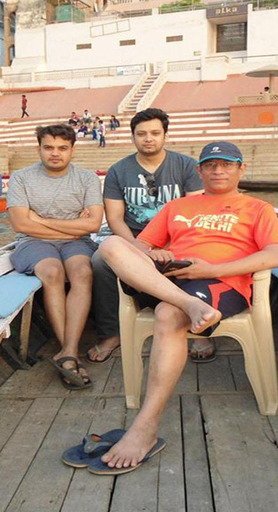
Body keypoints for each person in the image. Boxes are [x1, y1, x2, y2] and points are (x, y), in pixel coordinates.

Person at [88, 141, 278, 473]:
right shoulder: (178, 207)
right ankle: (188, 304)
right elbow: (140, 245)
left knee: (167, 314)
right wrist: (154, 254)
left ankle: (145, 428)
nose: (218, 170)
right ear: (200, 171)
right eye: (211, 165)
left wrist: (211, 270)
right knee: (111, 244)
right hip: (169, 279)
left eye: (226, 164)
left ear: (241, 169)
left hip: (218, 282)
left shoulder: (257, 208)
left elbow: (275, 256)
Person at [87, 108, 204, 366]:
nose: (148, 139)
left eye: (154, 133)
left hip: (178, 236)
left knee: (198, 257)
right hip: (134, 238)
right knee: (99, 262)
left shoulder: (185, 166)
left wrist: (171, 245)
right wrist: (141, 249)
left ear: (165, 135)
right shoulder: (119, 171)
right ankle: (110, 333)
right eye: (141, 134)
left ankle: (201, 331)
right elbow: (115, 218)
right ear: (133, 137)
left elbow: (193, 212)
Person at [7, 124, 103, 389]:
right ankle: (70, 352)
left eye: (62, 148)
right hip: (33, 243)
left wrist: (40, 219)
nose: (55, 154)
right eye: (48, 148)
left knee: (83, 272)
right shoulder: (22, 178)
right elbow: (21, 225)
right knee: (52, 272)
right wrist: (71, 225)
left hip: (76, 244)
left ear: (72, 149)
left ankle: (68, 353)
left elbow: (94, 225)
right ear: (39, 148)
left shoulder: (86, 179)